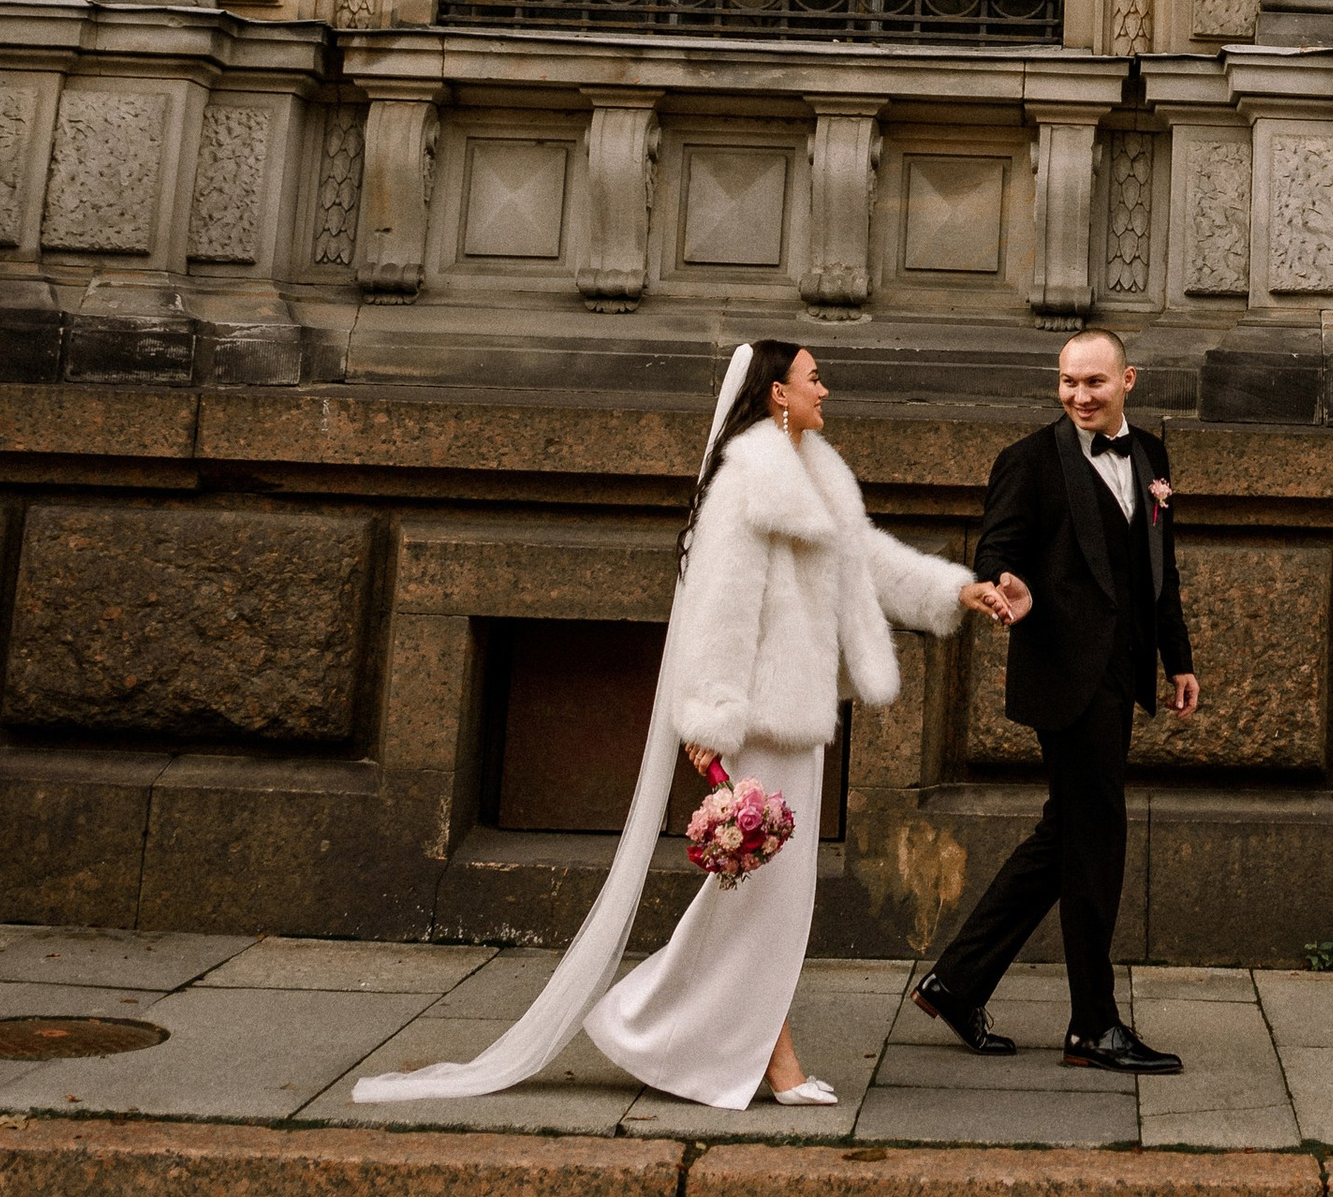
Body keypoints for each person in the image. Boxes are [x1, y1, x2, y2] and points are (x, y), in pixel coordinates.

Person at [354, 338, 1027, 1117]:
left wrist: (956, 591)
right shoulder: (751, 479)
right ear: (777, 391)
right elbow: (719, 600)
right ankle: (750, 1054)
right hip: (760, 717)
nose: (826, 391)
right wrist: (708, 714)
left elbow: (865, 561)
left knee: (768, 897)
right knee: (763, 896)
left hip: (800, 715)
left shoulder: (815, 470)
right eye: (814, 379)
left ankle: (651, 1023)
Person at [911, 324, 1197, 1073]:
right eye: (1068, 381)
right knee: (1094, 843)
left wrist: (1178, 659)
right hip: (1065, 676)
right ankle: (1093, 1025)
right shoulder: (1029, 460)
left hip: (1122, 673)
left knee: (1065, 837)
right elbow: (997, 549)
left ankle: (957, 979)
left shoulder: (1153, 457)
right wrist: (1005, 585)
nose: (1078, 395)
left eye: (1094, 382)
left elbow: (1158, 569)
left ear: (1127, 381)